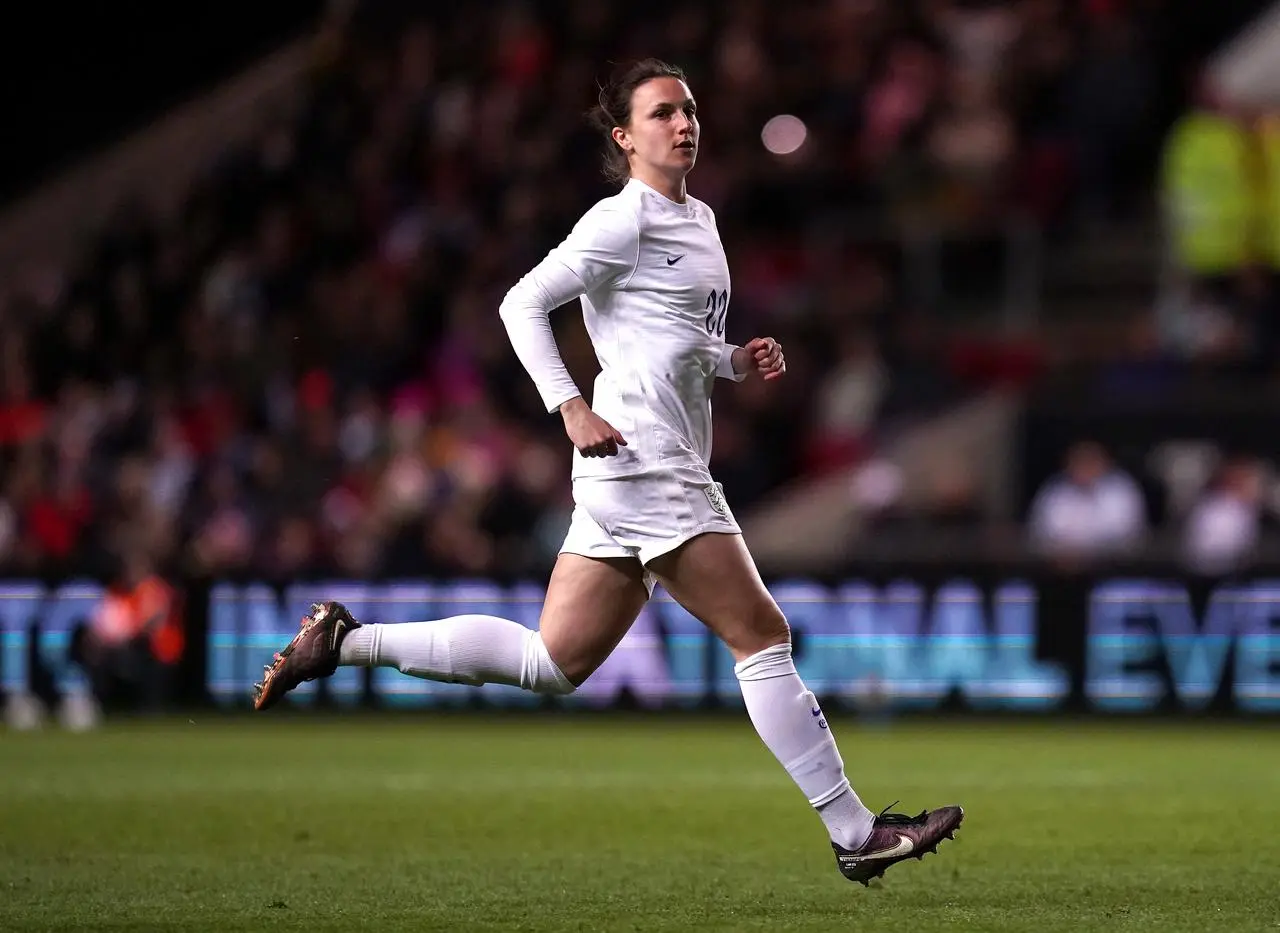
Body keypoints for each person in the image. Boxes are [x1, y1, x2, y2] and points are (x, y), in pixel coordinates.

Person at [252, 59, 962, 885]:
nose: (683, 122)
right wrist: (568, 405)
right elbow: (521, 303)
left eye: (689, 108)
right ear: (625, 137)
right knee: (762, 636)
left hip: (633, 471)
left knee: (552, 663)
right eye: (662, 113)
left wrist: (732, 360)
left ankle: (346, 639)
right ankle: (853, 830)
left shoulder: (698, 219)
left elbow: (669, 337)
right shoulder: (619, 220)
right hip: (647, 463)